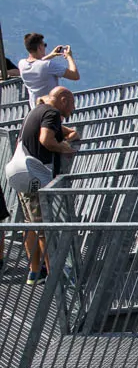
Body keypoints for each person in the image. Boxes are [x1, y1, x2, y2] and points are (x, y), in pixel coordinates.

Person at [17, 87, 78, 285]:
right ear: (62, 100)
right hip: (36, 177)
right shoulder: (52, 113)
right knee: (44, 227)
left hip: (22, 175)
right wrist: (65, 147)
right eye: (72, 103)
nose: (74, 108)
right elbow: (46, 139)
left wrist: (70, 135)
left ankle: (35, 273)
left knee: (32, 225)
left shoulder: (38, 110)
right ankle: (56, 276)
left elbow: (60, 132)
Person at [18, 33, 79, 108]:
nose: (45, 47)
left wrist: (51, 55)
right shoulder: (49, 65)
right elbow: (75, 75)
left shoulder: (22, 64)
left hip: (35, 109)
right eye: (44, 45)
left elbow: (36, 64)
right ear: (40, 47)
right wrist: (69, 57)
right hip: (50, 109)